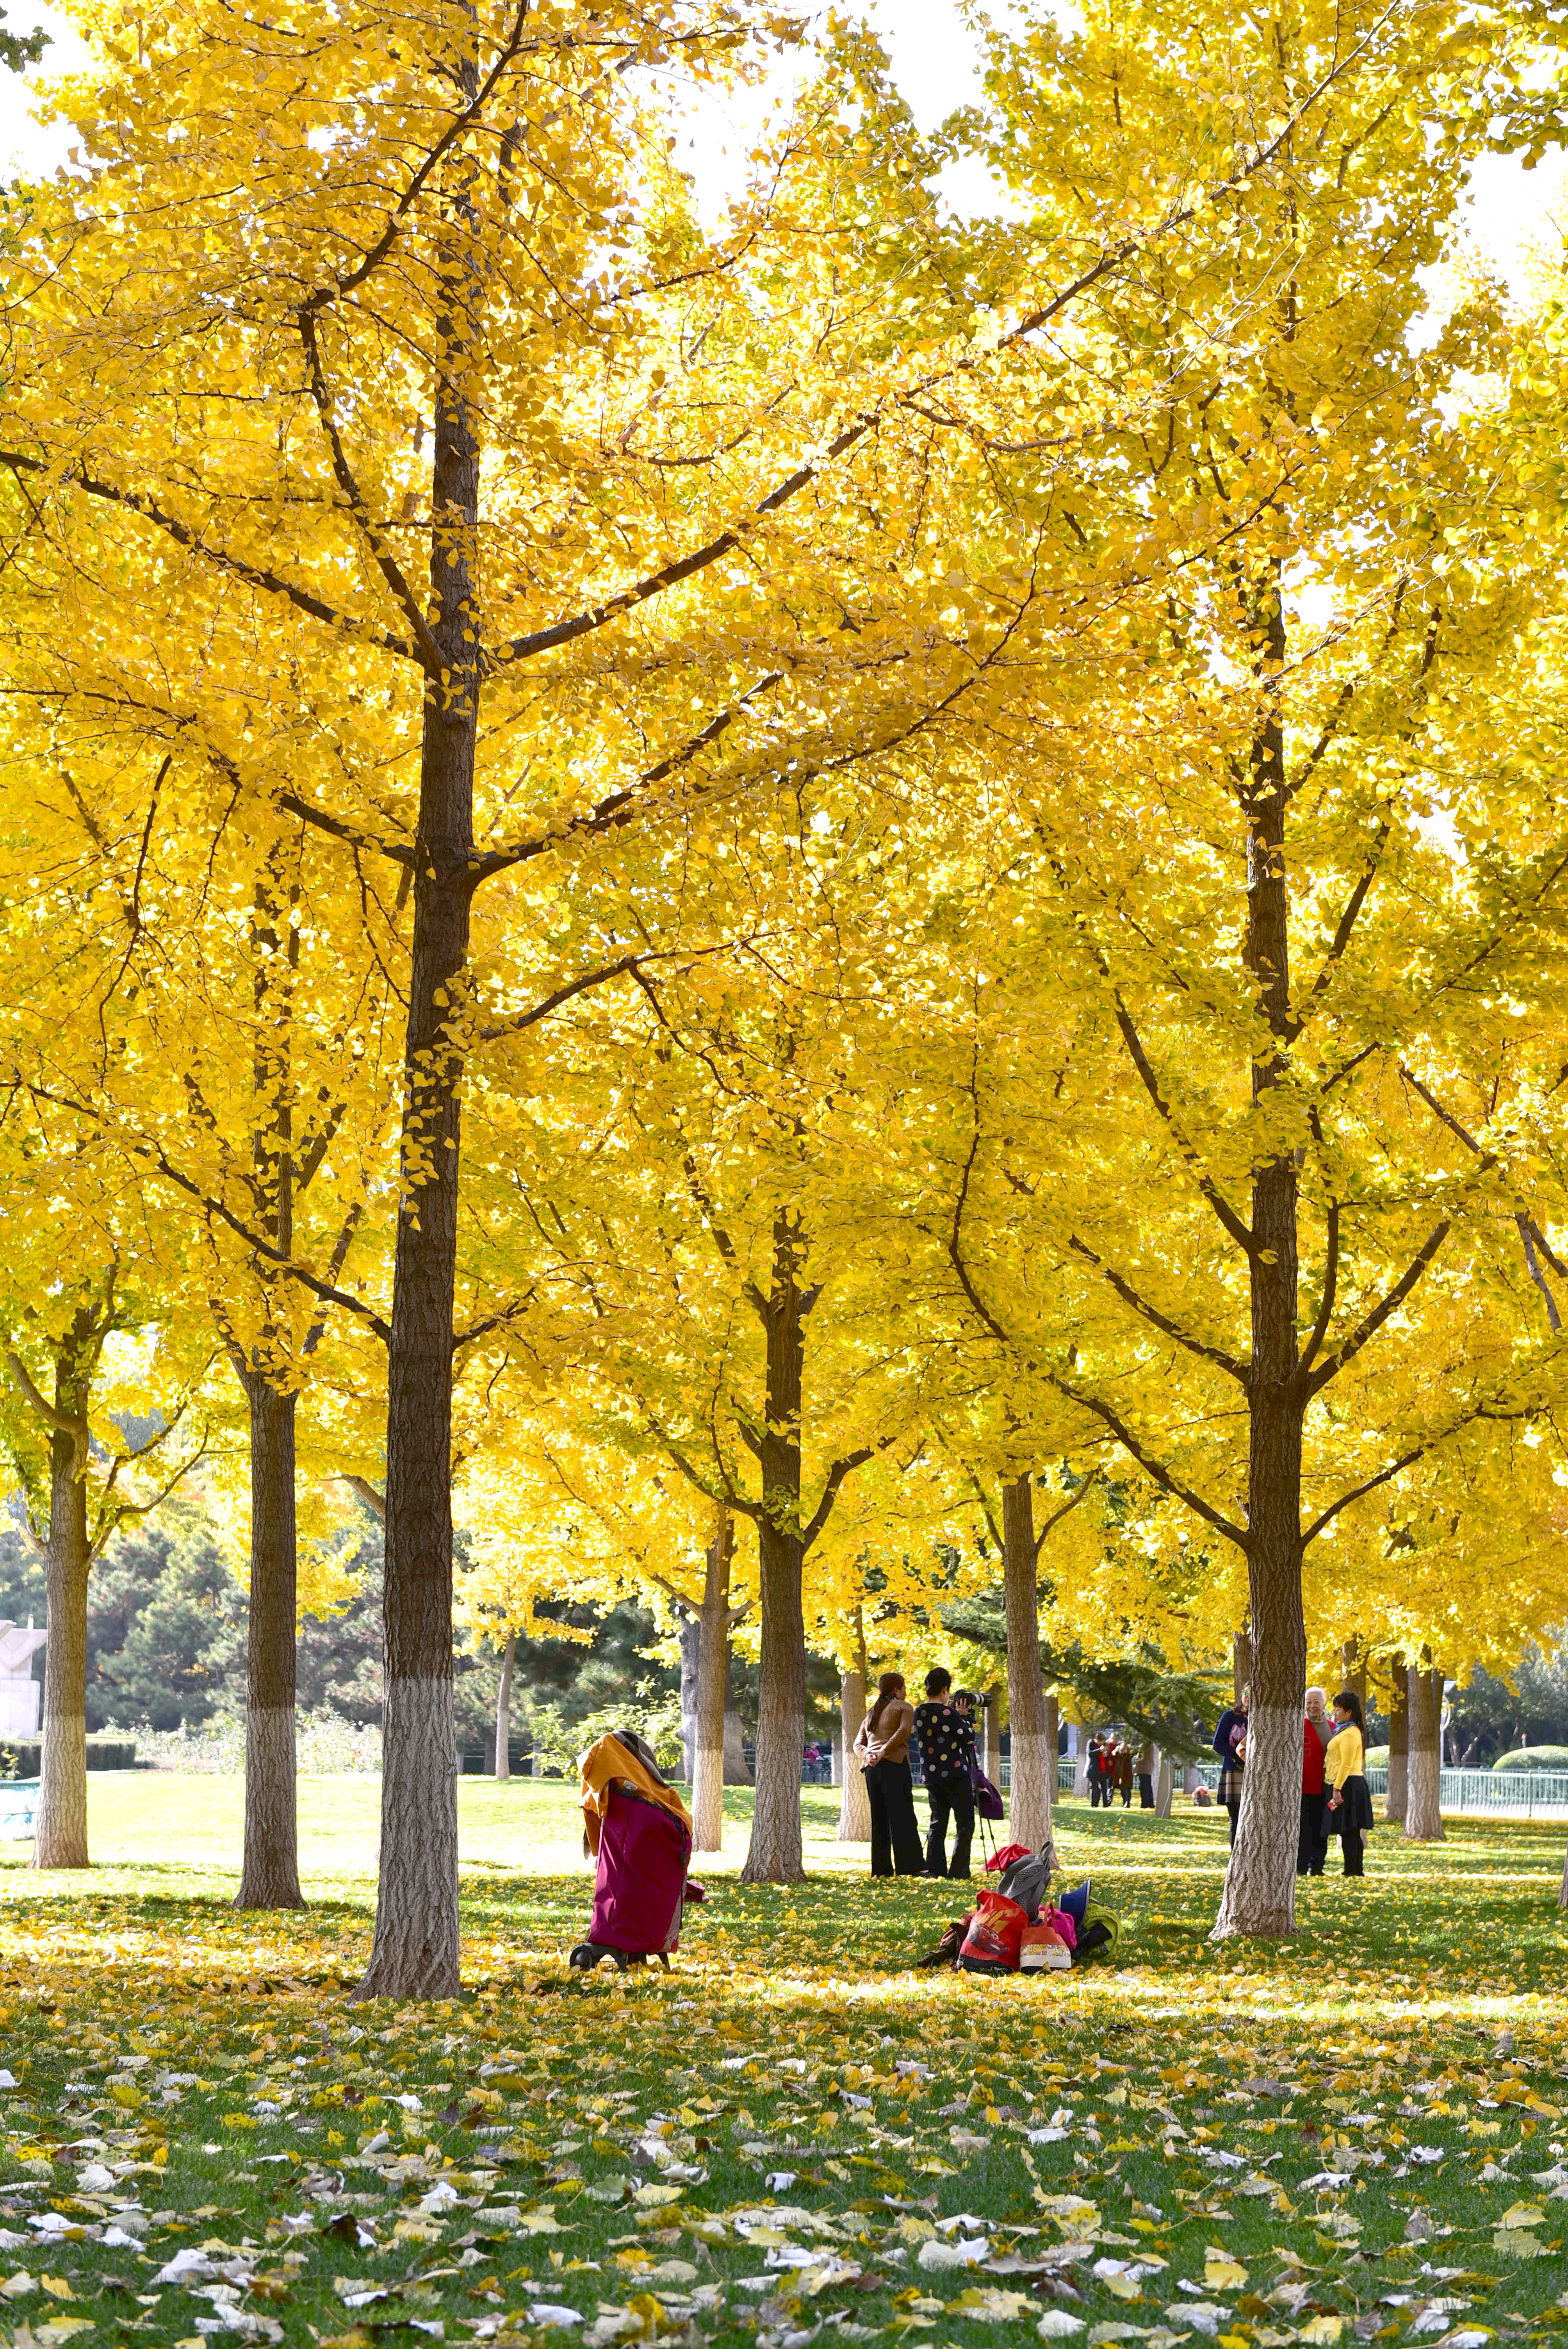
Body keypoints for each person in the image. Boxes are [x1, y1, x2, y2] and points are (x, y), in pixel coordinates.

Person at [852, 1673, 925, 1878]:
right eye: (904, 1687)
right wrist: (883, 1752)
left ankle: (881, 1870)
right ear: (897, 1690)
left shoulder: (872, 1712)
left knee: (880, 1818)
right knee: (903, 1817)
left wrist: (868, 1755)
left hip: (872, 1771)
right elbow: (904, 1731)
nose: (906, 1692)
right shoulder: (905, 1707)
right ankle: (909, 1867)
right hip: (894, 1766)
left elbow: (858, 1743)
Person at [913, 1666, 976, 1880]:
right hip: (956, 1775)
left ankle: (935, 1868)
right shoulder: (950, 1714)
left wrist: (953, 1713)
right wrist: (964, 1716)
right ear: (945, 1689)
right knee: (965, 1822)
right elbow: (968, 1737)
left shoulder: (919, 1712)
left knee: (938, 1821)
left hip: (931, 1776)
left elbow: (939, 1728)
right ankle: (959, 1870)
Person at [1324, 1688, 1373, 1878]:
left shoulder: (1351, 1733)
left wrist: (1337, 1789)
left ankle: (1355, 1870)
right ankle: (1351, 1868)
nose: (1335, 1713)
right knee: (1346, 1831)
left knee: (1351, 1830)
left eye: (1338, 1709)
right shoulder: (1343, 1731)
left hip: (1350, 1784)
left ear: (1349, 1711)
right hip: (1345, 1782)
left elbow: (1346, 1764)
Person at [1299, 1686, 1331, 1877]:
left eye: (1316, 1702)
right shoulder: (1298, 1726)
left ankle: (1318, 1866)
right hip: (1302, 1788)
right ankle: (1301, 1866)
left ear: (1324, 1704)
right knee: (1303, 1829)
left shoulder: (1334, 1728)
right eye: (1309, 1702)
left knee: (1322, 1828)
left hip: (1325, 1787)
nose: (1312, 1706)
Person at [1212, 1688, 1249, 1846]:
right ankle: (1235, 1856)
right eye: (1246, 1693)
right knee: (1235, 1819)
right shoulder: (1230, 1717)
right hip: (1233, 1772)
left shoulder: (1263, 1718)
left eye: (1253, 1694)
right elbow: (1218, 1744)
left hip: (1255, 1774)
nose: (1248, 1697)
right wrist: (1238, 1756)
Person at [1113, 1739, 1133, 1808]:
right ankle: (1125, 1802)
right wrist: (1116, 1750)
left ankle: (1128, 1802)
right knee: (1123, 1788)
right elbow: (1113, 1754)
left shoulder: (1129, 1754)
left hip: (1127, 1772)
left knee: (1127, 1788)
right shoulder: (1119, 1754)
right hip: (1120, 1772)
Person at [1137, 1741, 1155, 1809]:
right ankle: (1148, 1803)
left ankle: (1146, 1803)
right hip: (1144, 1769)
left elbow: (1141, 1751)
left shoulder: (1148, 1744)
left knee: (1145, 1787)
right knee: (1145, 1786)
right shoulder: (1147, 1744)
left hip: (1146, 1769)